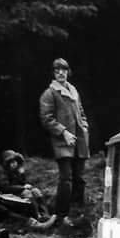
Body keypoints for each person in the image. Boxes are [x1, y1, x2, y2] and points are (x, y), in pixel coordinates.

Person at [39, 58, 90, 226]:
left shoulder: (73, 91)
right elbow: (47, 119)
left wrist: (84, 126)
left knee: (79, 178)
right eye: (57, 70)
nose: (61, 73)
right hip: (63, 143)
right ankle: (62, 215)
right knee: (66, 179)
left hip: (79, 141)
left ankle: (77, 213)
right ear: (53, 73)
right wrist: (63, 132)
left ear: (68, 72)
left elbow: (81, 111)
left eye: (64, 70)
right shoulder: (49, 93)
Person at [0, 149, 52, 221]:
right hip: (9, 195)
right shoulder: (3, 173)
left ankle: (45, 214)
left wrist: (22, 175)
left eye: (15, 161)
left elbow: (23, 182)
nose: (14, 163)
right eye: (11, 162)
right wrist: (22, 187)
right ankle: (37, 217)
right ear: (6, 164)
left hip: (19, 191)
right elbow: (5, 187)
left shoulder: (17, 171)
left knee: (36, 191)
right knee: (27, 194)